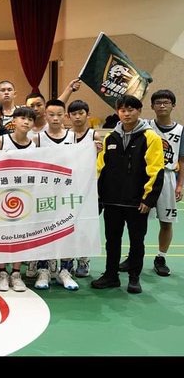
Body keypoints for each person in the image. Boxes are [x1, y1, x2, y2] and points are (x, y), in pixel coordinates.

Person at [92, 95, 164, 294]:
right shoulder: (110, 137)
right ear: (118, 112)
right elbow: (100, 169)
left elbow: (156, 169)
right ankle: (111, 275)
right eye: (122, 110)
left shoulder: (151, 137)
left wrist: (148, 199)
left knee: (137, 241)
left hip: (137, 202)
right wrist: (99, 196)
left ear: (139, 111)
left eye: (131, 109)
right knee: (112, 241)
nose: (126, 113)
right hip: (112, 201)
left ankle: (134, 277)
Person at [117, 90, 183, 278]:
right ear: (152, 106)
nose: (162, 106)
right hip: (145, 177)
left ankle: (161, 258)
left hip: (168, 176)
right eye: (158, 102)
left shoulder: (180, 130)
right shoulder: (145, 126)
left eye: (166, 102)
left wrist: (180, 185)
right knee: (137, 220)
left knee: (166, 221)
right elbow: (125, 117)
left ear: (173, 105)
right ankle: (133, 255)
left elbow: (182, 159)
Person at [33, 99, 80, 291]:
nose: (55, 118)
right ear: (45, 115)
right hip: (45, 192)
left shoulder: (73, 137)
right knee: (44, 230)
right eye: (51, 115)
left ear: (65, 116)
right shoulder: (38, 138)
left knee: (66, 230)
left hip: (66, 191)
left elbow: (79, 162)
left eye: (59, 115)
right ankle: (43, 270)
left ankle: (65, 271)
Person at [0, 106, 38, 292]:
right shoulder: (1, 141)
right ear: (14, 121)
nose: (26, 122)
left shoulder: (34, 145)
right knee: (2, 233)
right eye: (22, 118)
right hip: (1, 195)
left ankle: (16, 273)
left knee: (20, 234)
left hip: (24, 195)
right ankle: (2, 271)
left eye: (30, 119)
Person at [67, 99, 103, 277]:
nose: (77, 117)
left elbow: (102, 162)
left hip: (89, 188)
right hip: (69, 187)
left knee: (85, 225)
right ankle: (67, 260)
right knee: (68, 225)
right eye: (74, 114)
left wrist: (98, 151)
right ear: (68, 116)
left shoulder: (94, 136)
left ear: (88, 115)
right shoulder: (65, 136)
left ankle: (84, 260)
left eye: (81, 113)